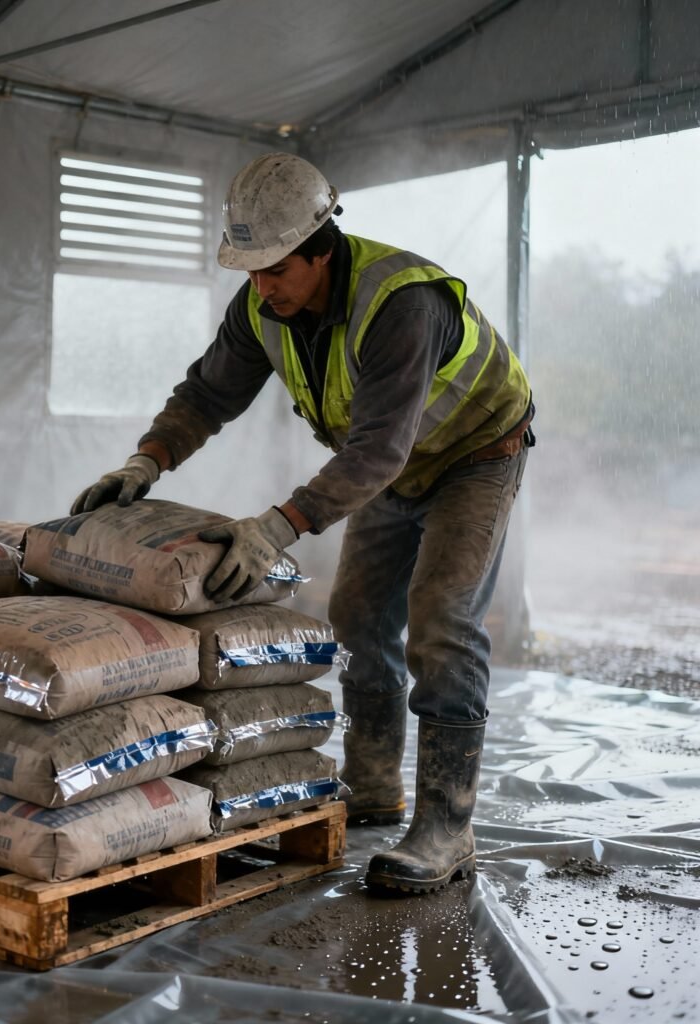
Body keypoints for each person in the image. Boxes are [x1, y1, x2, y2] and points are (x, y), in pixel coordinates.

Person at [71, 152, 534, 894]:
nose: (261, 287)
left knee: (441, 620)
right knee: (355, 615)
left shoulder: (401, 304)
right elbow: (207, 394)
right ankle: (376, 787)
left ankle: (449, 826)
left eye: (276, 270)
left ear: (322, 250)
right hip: (387, 465)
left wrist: (275, 528)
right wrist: (145, 462)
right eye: (248, 272)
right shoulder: (263, 305)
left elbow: (380, 446)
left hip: (473, 457)